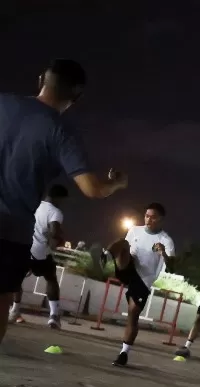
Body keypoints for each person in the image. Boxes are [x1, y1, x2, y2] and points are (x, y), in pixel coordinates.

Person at [0, 58, 127, 352]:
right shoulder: (61, 132)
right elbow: (92, 189)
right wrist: (118, 183)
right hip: (10, 231)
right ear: (77, 97)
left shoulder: (3, 103)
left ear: (41, 79)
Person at [91, 203, 175, 366]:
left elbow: (171, 267)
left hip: (143, 279)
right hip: (128, 267)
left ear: (161, 220)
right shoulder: (135, 230)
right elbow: (126, 250)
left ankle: (124, 353)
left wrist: (163, 252)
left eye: (153, 217)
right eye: (147, 216)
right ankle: (105, 257)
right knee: (123, 243)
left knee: (133, 314)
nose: (149, 219)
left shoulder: (166, 240)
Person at [9, 184, 70, 328]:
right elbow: (54, 232)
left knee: (16, 280)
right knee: (51, 279)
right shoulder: (55, 212)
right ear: (59, 198)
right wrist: (60, 237)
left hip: (23, 247)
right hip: (40, 252)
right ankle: (54, 316)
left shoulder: (34, 205)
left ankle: (15, 310)